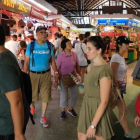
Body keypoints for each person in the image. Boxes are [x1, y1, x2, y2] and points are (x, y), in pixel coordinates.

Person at [73, 36, 115, 140]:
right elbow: (93, 86)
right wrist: (81, 83)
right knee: (81, 135)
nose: (86, 51)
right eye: (86, 48)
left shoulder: (104, 70)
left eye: (89, 49)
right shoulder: (92, 65)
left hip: (99, 107)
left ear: (99, 50)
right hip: (87, 104)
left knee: (99, 136)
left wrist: (93, 125)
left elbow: (104, 101)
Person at [24, 26, 59, 128]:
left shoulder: (49, 46)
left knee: (46, 96)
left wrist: (56, 74)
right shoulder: (31, 45)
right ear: (36, 35)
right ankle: (32, 106)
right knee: (33, 95)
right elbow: (26, 62)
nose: (44, 34)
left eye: (45, 32)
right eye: (41, 32)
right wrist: (24, 76)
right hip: (33, 75)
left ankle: (43, 116)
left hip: (46, 75)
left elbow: (52, 61)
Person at [0, 25, 30, 140]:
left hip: (7, 127)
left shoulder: (2, 64)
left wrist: (18, 134)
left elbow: (16, 101)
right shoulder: (6, 53)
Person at [110, 36, 140, 139]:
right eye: (125, 44)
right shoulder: (116, 57)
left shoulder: (121, 57)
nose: (128, 45)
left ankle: (102, 122)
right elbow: (112, 73)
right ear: (119, 45)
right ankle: (127, 132)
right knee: (123, 110)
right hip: (116, 89)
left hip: (120, 88)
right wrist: (116, 88)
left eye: (128, 44)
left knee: (121, 109)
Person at [56, 39, 81, 120]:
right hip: (63, 78)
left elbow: (77, 66)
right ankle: (63, 111)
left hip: (73, 77)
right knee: (64, 95)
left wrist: (80, 75)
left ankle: (70, 108)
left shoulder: (74, 54)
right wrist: (56, 80)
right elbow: (57, 69)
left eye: (70, 43)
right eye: (68, 43)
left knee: (75, 94)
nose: (70, 44)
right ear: (64, 46)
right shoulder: (60, 56)